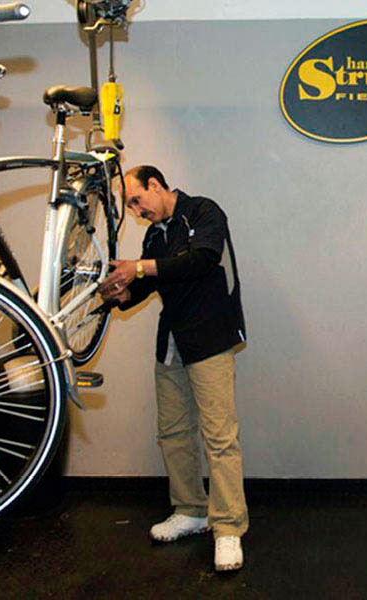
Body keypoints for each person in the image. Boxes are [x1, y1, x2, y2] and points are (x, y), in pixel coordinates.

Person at [101, 165, 248, 572]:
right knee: (173, 432)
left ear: (155, 184)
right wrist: (120, 292)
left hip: (210, 336)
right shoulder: (154, 235)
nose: (136, 211)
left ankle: (228, 528)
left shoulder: (202, 211)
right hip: (172, 342)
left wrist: (139, 268)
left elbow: (201, 260)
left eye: (137, 200)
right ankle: (190, 510)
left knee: (220, 437)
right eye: (130, 206)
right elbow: (147, 284)